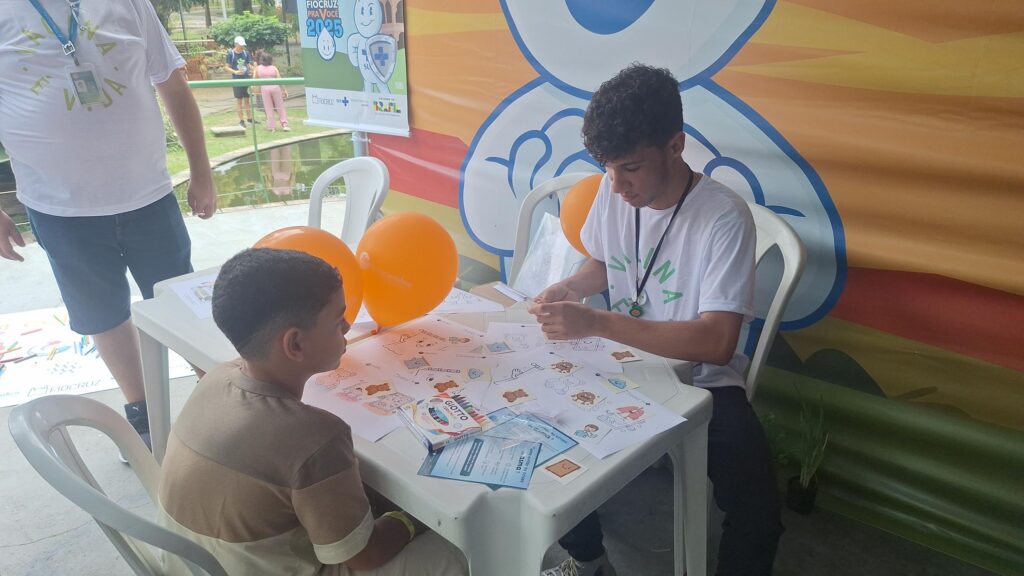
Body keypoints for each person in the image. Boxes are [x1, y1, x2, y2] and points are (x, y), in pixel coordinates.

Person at [530, 64, 783, 576]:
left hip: (702, 384)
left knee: (759, 506)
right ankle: (589, 561)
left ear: (675, 146)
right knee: (536, 432)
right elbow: (604, 261)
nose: (618, 185)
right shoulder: (613, 190)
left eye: (630, 168)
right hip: (621, 366)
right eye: (608, 169)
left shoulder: (723, 217)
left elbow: (716, 342)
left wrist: (597, 324)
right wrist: (575, 287)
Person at [158, 248, 468, 576]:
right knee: (455, 552)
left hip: (188, 565)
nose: (348, 326)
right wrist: (410, 519)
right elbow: (364, 556)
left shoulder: (215, 378)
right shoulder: (316, 438)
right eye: (338, 321)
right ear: (295, 345)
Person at [0, 0, 216, 456]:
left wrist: (202, 172)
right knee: (103, 315)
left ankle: (222, 396)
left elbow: (173, 86)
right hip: (60, 210)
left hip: (149, 196)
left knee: (179, 301)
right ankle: (143, 412)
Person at [225, 35, 256, 128]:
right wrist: (235, 72)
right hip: (237, 80)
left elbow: (248, 64)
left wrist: (252, 70)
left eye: (243, 45)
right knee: (239, 100)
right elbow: (226, 67)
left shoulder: (246, 53)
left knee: (247, 100)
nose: (242, 46)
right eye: (240, 45)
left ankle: (250, 118)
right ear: (236, 44)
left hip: (246, 79)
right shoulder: (231, 54)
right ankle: (241, 120)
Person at [255, 53, 290, 132]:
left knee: (268, 108)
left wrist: (255, 89)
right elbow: (279, 79)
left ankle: (272, 127)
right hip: (275, 87)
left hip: (264, 88)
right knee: (280, 106)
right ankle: (284, 124)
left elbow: (256, 79)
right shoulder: (274, 68)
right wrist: (284, 89)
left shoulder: (258, 68)